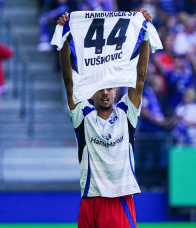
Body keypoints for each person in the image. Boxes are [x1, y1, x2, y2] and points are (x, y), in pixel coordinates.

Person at [57, 9, 152, 228]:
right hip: (90, 199)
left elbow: (140, 77)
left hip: (119, 199)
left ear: (116, 91)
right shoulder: (83, 115)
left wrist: (145, 35)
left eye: (109, 88)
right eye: (100, 89)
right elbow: (67, 79)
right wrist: (64, 39)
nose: (105, 92)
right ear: (92, 93)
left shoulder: (126, 114)